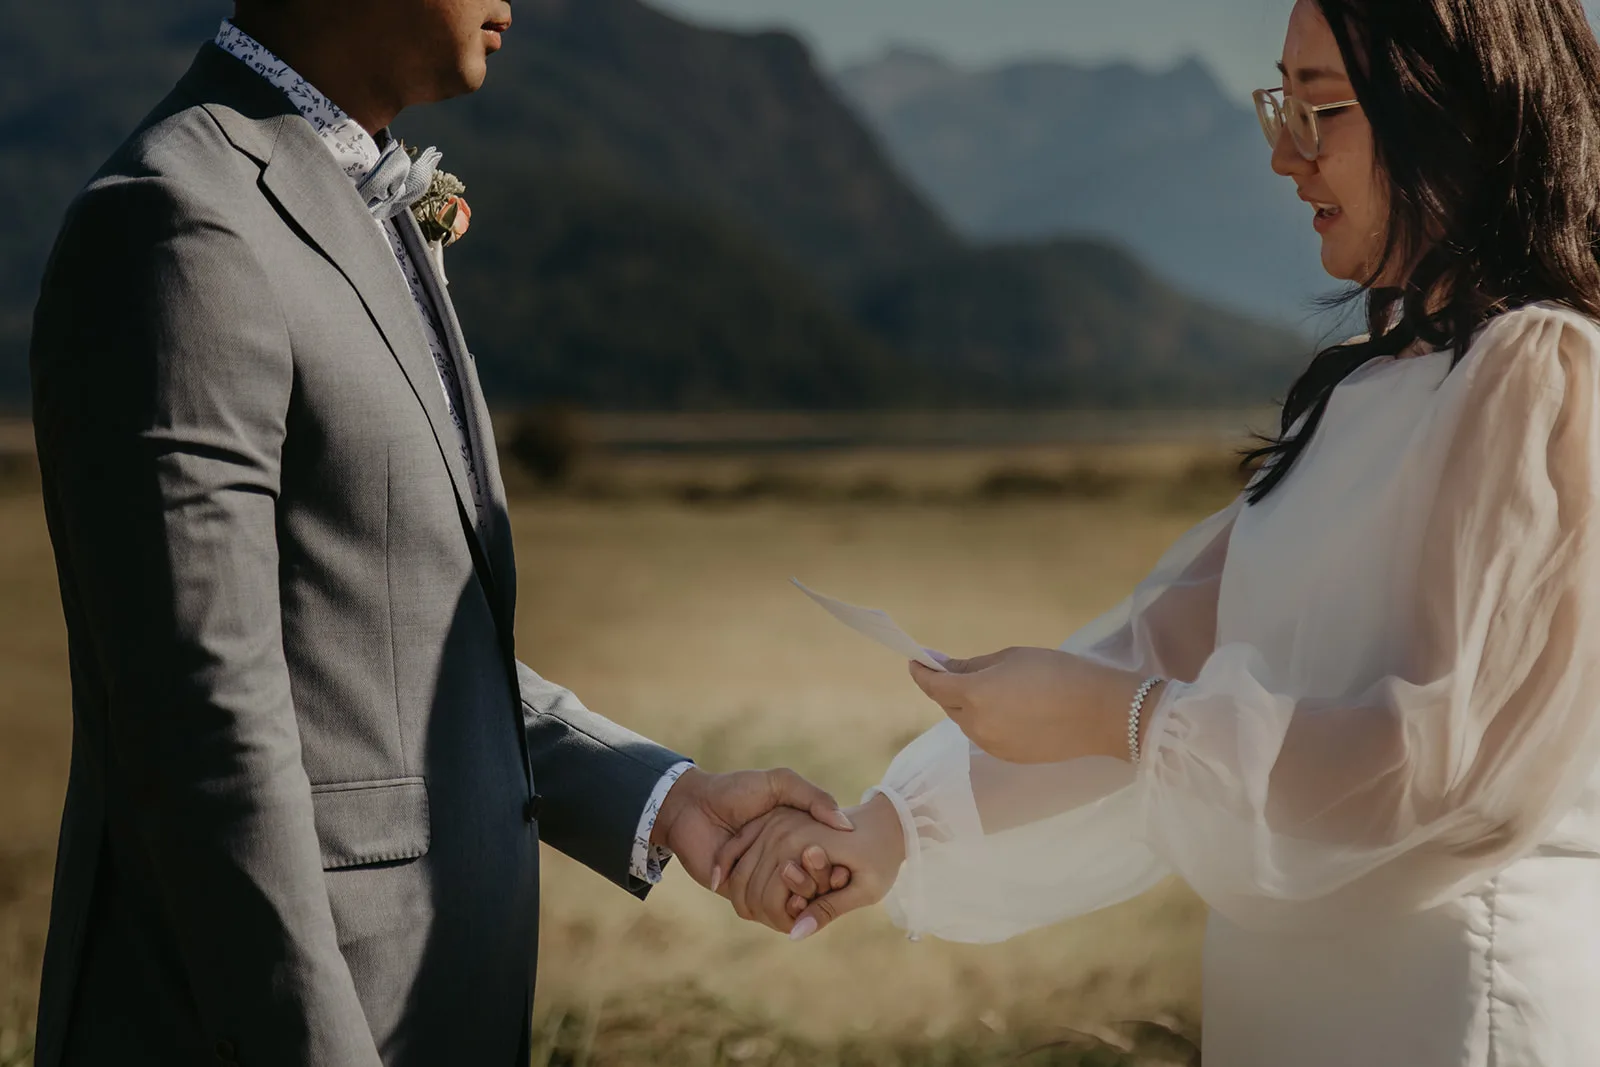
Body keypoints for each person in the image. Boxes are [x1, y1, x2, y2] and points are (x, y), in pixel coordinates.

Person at [719, 1, 1600, 1063]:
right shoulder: (1367, 390)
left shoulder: (1536, 375)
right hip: (1284, 1003)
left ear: (1456, 110)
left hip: (1453, 1001)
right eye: (1282, 103)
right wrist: (889, 827)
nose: (1283, 154)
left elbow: (1446, 765)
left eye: (1320, 107)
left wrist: (1126, 716)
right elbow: (1159, 648)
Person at [27, 1, 850, 1064]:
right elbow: (199, 729)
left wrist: (665, 798)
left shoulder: (350, 194)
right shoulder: (174, 218)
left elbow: (393, 651)